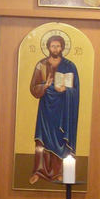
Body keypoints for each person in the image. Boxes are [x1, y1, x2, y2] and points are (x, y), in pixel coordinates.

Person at [29, 34, 79, 183]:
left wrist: (66, 90)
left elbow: (76, 90)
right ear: (48, 47)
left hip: (62, 109)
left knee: (59, 138)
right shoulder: (41, 65)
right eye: (53, 46)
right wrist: (44, 86)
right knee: (42, 138)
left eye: (58, 46)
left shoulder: (69, 66)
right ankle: (39, 171)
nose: (55, 49)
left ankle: (58, 173)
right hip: (46, 108)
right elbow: (33, 87)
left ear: (62, 47)